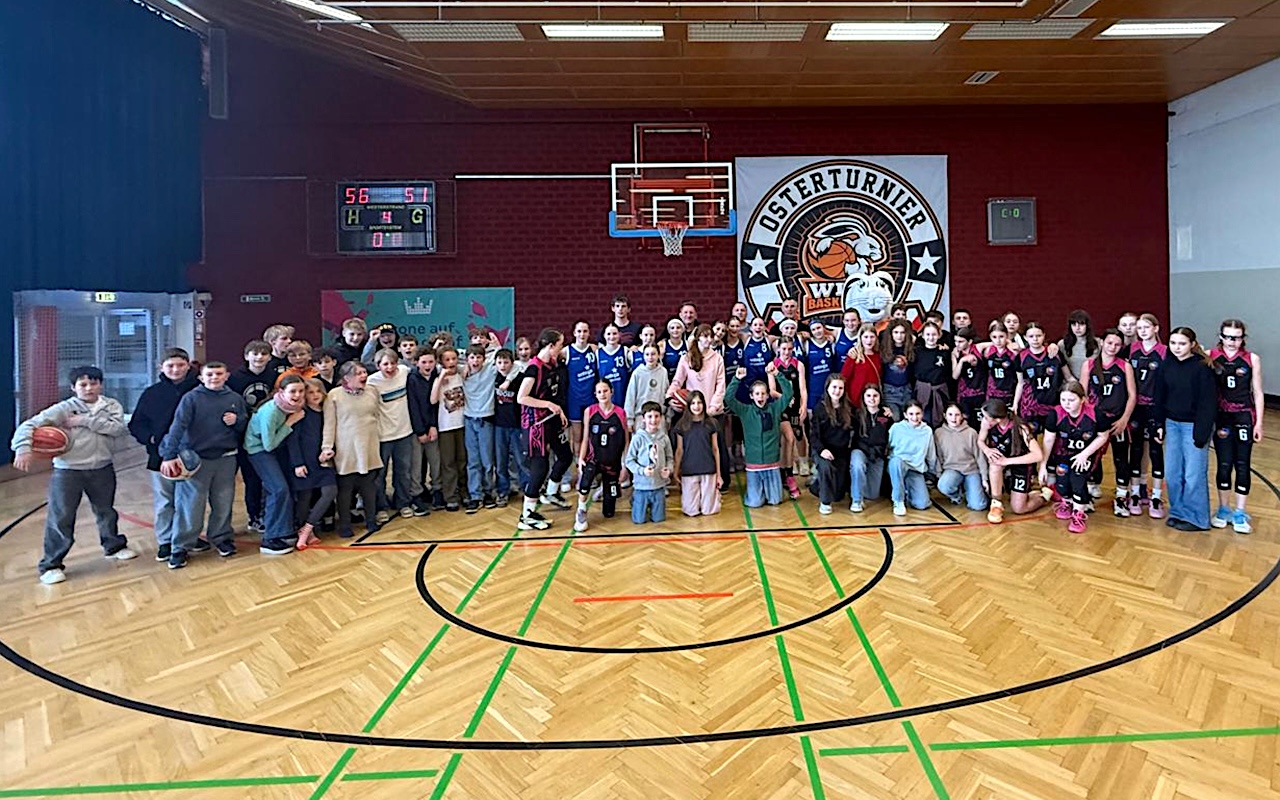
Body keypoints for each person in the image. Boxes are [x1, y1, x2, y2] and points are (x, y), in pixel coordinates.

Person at [12, 365, 134, 584]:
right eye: (83, 384)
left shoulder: (111, 405)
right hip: (68, 471)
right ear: (73, 387)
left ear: (101, 385)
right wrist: (23, 448)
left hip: (102, 467)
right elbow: (29, 425)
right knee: (62, 516)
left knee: (106, 511)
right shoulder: (64, 408)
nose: (88, 388)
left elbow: (117, 429)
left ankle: (114, 547)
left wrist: (84, 421)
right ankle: (51, 564)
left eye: (93, 383)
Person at [160, 361, 251, 567]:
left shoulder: (234, 398)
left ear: (226, 376)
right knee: (191, 504)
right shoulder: (191, 398)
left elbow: (244, 425)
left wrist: (237, 421)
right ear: (201, 378)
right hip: (197, 459)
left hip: (226, 457)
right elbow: (178, 426)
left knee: (223, 501)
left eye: (219, 374)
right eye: (209, 374)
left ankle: (221, 537)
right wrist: (169, 455)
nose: (214, 378)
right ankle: (181, 546)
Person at [128, 348, 198, 562]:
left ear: (188, 365)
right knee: (165, 501)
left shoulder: (199, 389)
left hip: (193, 456)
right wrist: (151, 440)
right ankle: (166, 541)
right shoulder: (152, 393)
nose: (176, 370)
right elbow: (136, 424)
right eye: (170, 366)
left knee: (190, 501)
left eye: (180, 365)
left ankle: (187, 538)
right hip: (160, 457)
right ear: (161, 367)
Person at [1156, 327, 1217, 533]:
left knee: (1193, 474)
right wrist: (1158, 424)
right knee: (1173, 473)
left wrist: (1201, 433)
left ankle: (1197, 518)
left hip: (1194, 425)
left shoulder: (1202, 368)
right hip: (1172, 424)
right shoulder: (1166, 365)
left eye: (1182, 344)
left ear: (1192, 344)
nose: (1177, 348)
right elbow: (1159, 397)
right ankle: (1178, 512)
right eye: (1173, 343)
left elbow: (1208, 403)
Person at [1209, 319, 1264, 534]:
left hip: (1243, 415)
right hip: (1221, 416)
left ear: (1243, 338)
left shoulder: (1251, 359)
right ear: (1221, 336)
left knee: (1242, 464)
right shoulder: (1211, 356)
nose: (1232, 341)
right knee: (1224, 464)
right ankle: (1223, 509)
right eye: (1228, 337)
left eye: (1237, 338)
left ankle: (1240, 512)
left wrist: (1259, 423)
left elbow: (1257, 392)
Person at [243, 374, 306, 554]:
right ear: (281, 392)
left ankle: (283, 530)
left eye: (301, 391)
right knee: (278, 489)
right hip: (258, 450)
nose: (297, 395)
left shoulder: (294, 407)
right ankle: (270, 538)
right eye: (292, 391)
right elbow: (268, 445)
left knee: (286, 488)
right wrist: (290, 423)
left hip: (277, 449)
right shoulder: (271, 411)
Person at [517, 328, 572, 530]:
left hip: (552, 420)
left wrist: (559, 411)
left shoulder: (553, 365)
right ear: (550, 346)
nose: (562, 348)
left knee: (565, 456)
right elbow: (521, 397)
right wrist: (548, 405)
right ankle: (527, 515)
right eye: (560, 345)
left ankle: (551, 492)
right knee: (540, 468)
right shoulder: (534, 368)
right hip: (536, 425)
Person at [322, 361, 384, 539]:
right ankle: (345, 524)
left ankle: (371, 520)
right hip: (346, 449)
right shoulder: (334, 395)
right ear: (346, 378)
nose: (364, 376)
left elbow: (378, 415)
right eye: (358, 373)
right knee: (345, 489)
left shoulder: (372, 391)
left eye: (364, 372)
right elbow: (329, 424)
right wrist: (327, 447)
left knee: (369, 486)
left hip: (369, 445)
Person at [1040, 381, 1109, 535]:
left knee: (1077, 480)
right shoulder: (1055, 414)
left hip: (1085, 455)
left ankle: (1078, 514)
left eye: (1071, 400)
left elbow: (1103, 436)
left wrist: (1085, 454)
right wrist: (1043, 465)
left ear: (1082, 399)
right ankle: (1067, 503)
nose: (1066, 404)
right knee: (1062, 484)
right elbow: (1048, 439)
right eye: (1063, 400)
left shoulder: (1096, 414)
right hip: (1062, 454)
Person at [1080, 328, 1137, 516]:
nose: (1113, 347)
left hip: (1117, 421)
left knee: (1121, 458)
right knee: (1092, 456)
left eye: (1117, 344)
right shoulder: (1089, 365)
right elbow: (1082, 394)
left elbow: (1132, 395)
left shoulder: (1124, 366)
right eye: (1110, 343)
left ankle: (1121, 497)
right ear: (1102, 342)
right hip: (1095, 421)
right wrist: (1089, 419)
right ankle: (1089, 490)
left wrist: (1124, 419)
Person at [669, 324, 728, 488]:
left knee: (717, 447)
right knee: (693, 447)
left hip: (713, 412)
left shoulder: (717, 358)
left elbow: (721, 385)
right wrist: (669, 397)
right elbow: (677, 381)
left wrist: (712, 408)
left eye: (710, 336)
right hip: (693, 412)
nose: (708, 339)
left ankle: (721, 480)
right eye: (704, 336)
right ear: (697, 338)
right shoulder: (686, 358)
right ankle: (688, 479)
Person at [725, 363, 792, 508]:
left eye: (763, 393)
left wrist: (777, 374)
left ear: (768, 395)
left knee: (775, 501)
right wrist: (737, 379)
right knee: (755, 503)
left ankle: (774, 491)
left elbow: (788, 394)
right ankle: (755, 493)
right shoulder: (745, 411)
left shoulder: (775, 408)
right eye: (757, 394)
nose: (760, 396)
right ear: (751, 396)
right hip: (754, 464)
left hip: (772, 462)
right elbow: (728, 399)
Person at [228, 339, 275, 534]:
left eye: (264, 354)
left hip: (263, 432)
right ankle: (253, 516)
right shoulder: (235, 378)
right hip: (242, 434)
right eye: (255, 354)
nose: (259, 357)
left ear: (269, 357)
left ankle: (264, 514)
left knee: (264, 478)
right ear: (246, 356)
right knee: (251, 479)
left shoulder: (272, 375)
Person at [285, 378, 337, 549]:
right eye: (310, 392)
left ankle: (307, 528)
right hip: (305, 461)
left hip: (323, 461)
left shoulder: (327, 412)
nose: (315, 395)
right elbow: (293, 440)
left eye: (318, 391)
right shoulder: (301, 414)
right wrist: (297, 463)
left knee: (330, 491)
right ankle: (306, 530)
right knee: (304, 498)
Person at [979, 399, 1048, 524]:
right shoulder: (986, 423)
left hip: (1020, 463)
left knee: (1019, 508)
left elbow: (1038, 455)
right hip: (1003, 461)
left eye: (986, 417)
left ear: (997, 419)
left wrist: (1007, 461)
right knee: (995, 463)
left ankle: (1043, 496)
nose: (983, 419)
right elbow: (980, 441)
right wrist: (987, 450)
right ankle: (996, 504)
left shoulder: (1021, 427)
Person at [1126, 313, 1167, 518]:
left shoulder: (1164, 351)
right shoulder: (1131, 349)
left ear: (1156, 328)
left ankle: (1157, 496)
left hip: (1156, 408)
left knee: (1155, 450)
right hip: (1136, 408)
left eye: (1146, 327)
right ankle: (1135, 492)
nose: (1142, 331)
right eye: (1139, 328)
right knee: (1136, 449)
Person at [366, 348, 415, 520]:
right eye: (385, 364)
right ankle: (381, 507)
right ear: (378, 365)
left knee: (404, 471)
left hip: (404, 432)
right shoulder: (372, 382)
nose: (390, 367)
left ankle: (403, 503)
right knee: (380, 474)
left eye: (393, 363)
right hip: (383, 436)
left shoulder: (404, 371)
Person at [573, 380, 629, 531]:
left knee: (609, 513)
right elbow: (585, 437)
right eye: (599, 392)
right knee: (585, 483)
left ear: (611, 391)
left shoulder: (620, 413)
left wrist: (624, 465)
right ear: (595, 394)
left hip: (612, 462)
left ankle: (604, 489)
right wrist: (581, 458)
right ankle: (581, 509)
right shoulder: (590, 411)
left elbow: (626, 441)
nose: (602, 394)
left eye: (605, 391)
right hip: (593, 458)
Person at [461, 337, 501, 512]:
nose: (475, 361)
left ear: (484, 359)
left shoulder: (491, 370)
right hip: (469, 420)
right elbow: (443, 364)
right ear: (467, 359)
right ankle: (475, 495)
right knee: (473, 461)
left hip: (486, 420)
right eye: (472, 357)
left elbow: (512, 365)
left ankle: (488, 492)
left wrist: (497, 345)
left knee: (487, 460)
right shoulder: (461, 372)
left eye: (479, 357)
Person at [809, 374, 855, 514]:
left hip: (841, 451)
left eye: (840, 388)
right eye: (834, 387)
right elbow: (814, 435)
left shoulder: (849, 408)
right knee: (826, 467)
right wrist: (822, 450)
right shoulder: (820, 408)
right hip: (823, 450)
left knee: (838, 496)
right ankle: (825, 502)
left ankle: (817, 485)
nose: (837, 391)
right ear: (827, 388)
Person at [673, 390, 722, 517]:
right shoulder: (682, 425)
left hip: (708, 469)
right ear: (688, 405)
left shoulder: (711, 423)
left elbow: (715, 449)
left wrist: (719, 474)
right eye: (693, 403)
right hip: (689, 470)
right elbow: (679, 450)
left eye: (699, 402)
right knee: (690, 511)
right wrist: (676, 471)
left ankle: (714, 496)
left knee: (708, 511)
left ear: (704, 404)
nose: (696, 406)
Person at [431, 346, 468, 512]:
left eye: (454, 358)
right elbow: (433, 400)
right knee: (448, 463)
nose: (451, 362)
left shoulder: (461, 375)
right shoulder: (439, 379)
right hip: (446, 426)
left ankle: (465, 492)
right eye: (447, 359)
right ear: (441, 362)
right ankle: (450, 496)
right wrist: (441, 378)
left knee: (463, 460)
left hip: (463, 424)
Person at [565, 320, 599, 495]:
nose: (582, 334)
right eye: (579, 331)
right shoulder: (567, 352)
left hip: (591, 400)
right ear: (574, 333)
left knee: (592, 438)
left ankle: (591, 472)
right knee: (577, 438)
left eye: (585, 331)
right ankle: (580, 472)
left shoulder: (594, 350)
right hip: (574, 401)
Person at [934, 404, 989, 512]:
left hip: (971, 471)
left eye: (957, 415)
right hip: (952, 469)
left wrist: (984, 478)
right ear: (945, 415)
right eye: (950, 414)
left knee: (978, 506)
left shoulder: (971, 433)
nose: (953, 418)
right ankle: (957, 495)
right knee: (944, 486)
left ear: (962, 416)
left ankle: (971, 490)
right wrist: (939, 473)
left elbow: (980, 456)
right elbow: (938, 455)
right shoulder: (939, 433)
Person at [407, 346, 443, 512]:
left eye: (431, 362)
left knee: (435, 461)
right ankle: (416, 494)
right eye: (424, 362)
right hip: (417, 429)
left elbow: (435, 405)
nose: (427, 365)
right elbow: (413, 406)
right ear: (417, 363)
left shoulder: (437, 376)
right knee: (416, 464)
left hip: (432, 426)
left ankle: (437, 490)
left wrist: (433, 425)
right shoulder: (412, 379)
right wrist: (420, 431)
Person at [625, 402, 674, 523]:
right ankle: (635, 500)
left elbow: (670, 458)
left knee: (659, 519)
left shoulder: (664, 438)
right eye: (650, 416)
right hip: (641, 486)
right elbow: (629, 461)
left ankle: (652, 507)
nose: (653, 420)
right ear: (643, 418)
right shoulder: (638, 438)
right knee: (639, 520)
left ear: (661, 418)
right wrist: (642, 471)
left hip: (659, 485)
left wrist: (668, 470)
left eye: (657, 416)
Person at [887, 401, 938, 516]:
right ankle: (898, 501)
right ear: (905, 415)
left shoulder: (927, 431)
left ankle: (908, 490)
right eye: (911, 414)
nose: (914, 417)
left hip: (915, 469)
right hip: (897, 466)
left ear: (922, 414)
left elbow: (931, 454)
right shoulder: (896, 428)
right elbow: (887, 447)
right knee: (896, 461)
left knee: (922, 504)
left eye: (917, 414)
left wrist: (932, 472)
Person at [1013, 321, 1065, 436]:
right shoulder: (1021, 357)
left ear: (1044, 335)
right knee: (1030, 437)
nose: (1035, 339)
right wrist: (1015, 403)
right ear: (1025, 338)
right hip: (1030, 405)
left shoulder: (1055, 354)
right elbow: (1020, 383)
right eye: (1031, 336)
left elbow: (1068, 377)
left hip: (1052, 403)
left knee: (1052, 437)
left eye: (1038, 335)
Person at [849, 384, 894, 513]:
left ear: (880, 397)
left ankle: (861, 488)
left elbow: (891, 437)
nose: (872, 399)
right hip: (860, 451)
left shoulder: (886, 415)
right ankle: (856, 500)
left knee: (872, 495)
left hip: (877, 454)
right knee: (857, 465)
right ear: (863, 398)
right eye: (868, 395)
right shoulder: (857, 415)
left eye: (875, 395)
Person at [771, 337, 807, 499]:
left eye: (789, 349)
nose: (786, 352)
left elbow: (803, 388)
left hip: (795, 406)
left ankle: (787, 470)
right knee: (788, 438)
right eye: (784, 349)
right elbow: (772, 390)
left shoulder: (798, 365)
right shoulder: (773, 365)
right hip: (780, 407)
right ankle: (786, 473)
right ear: (778, 349)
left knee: (797, 436)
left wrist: (803, 405)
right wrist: (784, 397)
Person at [493, 348, 528, 506]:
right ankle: (503, 491)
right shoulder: (493, 377)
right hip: (499, 426)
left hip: (517, 425)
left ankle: (527, 488)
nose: (502, 366)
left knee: (522, 460)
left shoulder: (519, 378)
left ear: (512, 363)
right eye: (499, 362)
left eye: (506, 362)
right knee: (501, 461)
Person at [912, 322, 950, 427]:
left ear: (939, 335)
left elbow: (948, 373)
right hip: (922, 390)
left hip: (940, 390)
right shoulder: (917, 351)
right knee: (924, 420)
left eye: (934, 334)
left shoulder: (944, 352)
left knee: (940, 420)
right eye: (928, 334)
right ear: (923, 336)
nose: (931, 337)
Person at [625, 344, 669, 432]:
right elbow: (630, 397)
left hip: (659, 417)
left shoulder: (663, 372)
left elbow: (667, 394)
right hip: (641, 417)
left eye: (653, 354)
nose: (650, 357)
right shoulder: (637, 373)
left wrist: (668, 416)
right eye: (647, 354)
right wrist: (629, 419)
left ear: (658, 355)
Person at [840, 324, 884, 409]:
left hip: (872, 399)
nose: (869, 340)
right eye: (866, 337)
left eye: (872, 337)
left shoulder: (879, 355)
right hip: (855, 400)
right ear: (860, 338)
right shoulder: (854, 355)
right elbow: (844, 377)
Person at [952, 326, 987, 429]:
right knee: (966, 422)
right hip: (964, 394)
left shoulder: (978, 348)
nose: (957, 344)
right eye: (955, 341)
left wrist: (1009, 342)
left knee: (981, 422)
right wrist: (962, 361)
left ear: (970, 341)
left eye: (961, 342)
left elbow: (995, 343)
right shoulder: (955, 354)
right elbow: (954, 376)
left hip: (980, 392)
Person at [979, 322, 1017, 409]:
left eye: (1001, 337)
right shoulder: (988, 351)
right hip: (992, 390)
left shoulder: (1012, 352)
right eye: (994, 337)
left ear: (1007, 335)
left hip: (1008, 391)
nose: (998, 340)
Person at [1059, 309, 1100, 382]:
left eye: (1081, 324)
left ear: (1087, 325)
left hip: (1091, 383)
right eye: (1074, 325)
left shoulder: (1098, 343)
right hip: (1069, 384)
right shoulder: (1062, 344)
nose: (1077, 328)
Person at [597, 323, 631, 410]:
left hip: (623, 397)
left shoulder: (625, 351)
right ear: (604, 335)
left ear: (619, 335)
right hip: (605, 399)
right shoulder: (598, 353)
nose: (612, 337)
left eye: (614, 333)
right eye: (608, 334)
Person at [660, 318, 688, 382]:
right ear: (668, 331)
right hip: (667, 379)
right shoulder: (662, 344)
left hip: (684, 380)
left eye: (678, 327)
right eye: (672, 328)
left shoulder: (688, 344)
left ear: (682, 330)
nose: (675, 330)